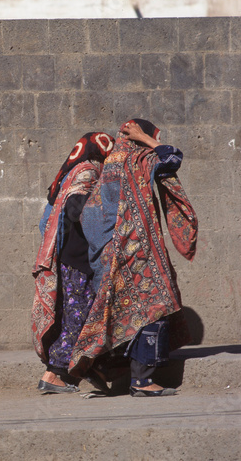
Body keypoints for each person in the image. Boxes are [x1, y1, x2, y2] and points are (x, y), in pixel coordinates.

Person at [69, 119, 198, 397]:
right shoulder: (139, 158)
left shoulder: (110, 166)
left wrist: (105, 250)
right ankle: (142, 381)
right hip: (134, 252)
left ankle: (104, 367)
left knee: (119, 313)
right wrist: (147, 140)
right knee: (156, 305)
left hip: (106, 255)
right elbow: (173, 157)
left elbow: (89, 215)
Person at [32, 132, 115, 393]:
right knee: (77, 316)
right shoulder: (89, 171)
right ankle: (54, 375)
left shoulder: (70, 172)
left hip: (68, 255)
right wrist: (104, 225)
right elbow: (75, 208)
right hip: (78, 258)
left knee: (78, 313)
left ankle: (89, 367)